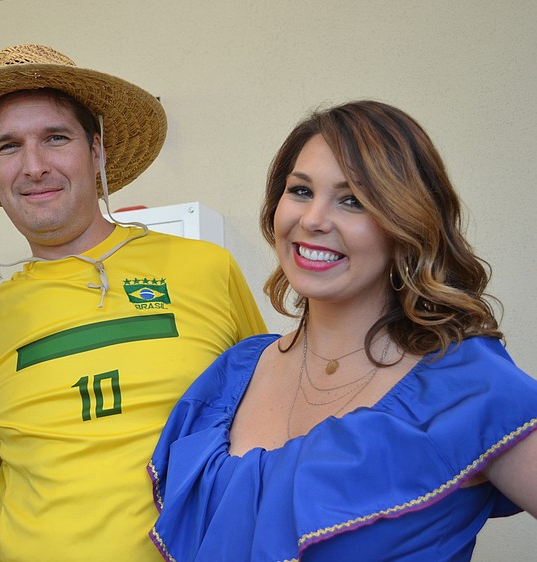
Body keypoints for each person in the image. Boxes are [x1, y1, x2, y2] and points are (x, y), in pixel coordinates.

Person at [0, 44, 268, 560]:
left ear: (96, 151)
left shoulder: (206, 269)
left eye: (55, 138)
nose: (34, 166)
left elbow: (274, 410)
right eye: (9, 146)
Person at [148, 100, 537, 561]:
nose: (313, 220)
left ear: (407, 223)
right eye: (300, 191)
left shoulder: (468, 385)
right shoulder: (232, 373)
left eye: (353, 200)